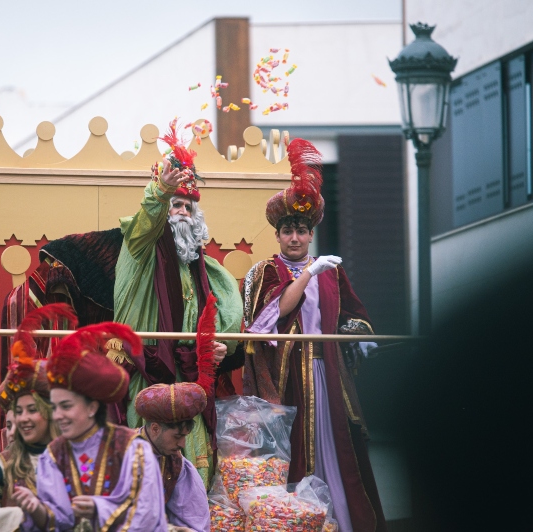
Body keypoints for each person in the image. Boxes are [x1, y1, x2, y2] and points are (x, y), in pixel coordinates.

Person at [242, 139, 386, 532]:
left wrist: (359, 336)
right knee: (293, 452)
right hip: (286, 381)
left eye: (301, 231)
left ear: (310, 235)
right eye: (288, 230)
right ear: (277, 235)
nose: (294, 237)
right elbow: (272, 315)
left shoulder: (332, 271)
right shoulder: (266, 272)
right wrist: (308, 272)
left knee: (338, 449)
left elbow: (355, 316)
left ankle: (342, 522)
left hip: (329, 375)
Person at [112, 119, 243, 484]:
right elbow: (146, 221)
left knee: (192, 467)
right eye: (175, 205)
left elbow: (228, 310)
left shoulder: (203, 267)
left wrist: (219, 344)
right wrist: (160, 191)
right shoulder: (139, 248)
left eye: (187, 206)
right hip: (147, 372)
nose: (182, 211)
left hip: (189, 377)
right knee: (144, 468)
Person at [0, 303, 76, 531]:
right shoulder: (3, 464)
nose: (23, 419)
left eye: (32, 410)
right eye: (18, 412)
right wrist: (19, 518)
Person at [36, 321, 167, 531]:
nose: (58, 415)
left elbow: (147, 513)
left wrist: (99, 509)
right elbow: (52, 516)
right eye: (54, 407)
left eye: (66, 406)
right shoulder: (52, 454)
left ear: (92, 407)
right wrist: (36, 510)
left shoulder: (133, 449)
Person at [135, 382, 210, 532]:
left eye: (185, 436)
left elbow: (193, 516)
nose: (182, 444)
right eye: (177, 436)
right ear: (155, 429)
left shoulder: (175, 463)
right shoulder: (118, 454)